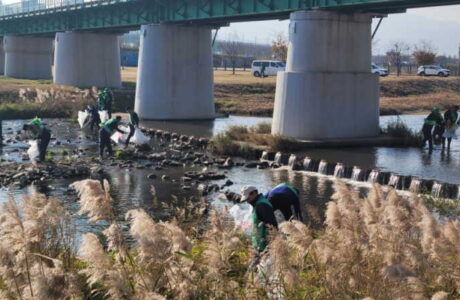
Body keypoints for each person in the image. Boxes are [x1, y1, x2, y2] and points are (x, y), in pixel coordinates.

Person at [240, 185, 277, 252]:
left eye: (248, 199)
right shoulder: (258, 203)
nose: (247, 202)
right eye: (246, 200)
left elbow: (271, 225)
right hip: (260, 243)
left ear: (254, 193)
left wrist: (270, 243)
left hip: (263, 245)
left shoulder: (261, 206)